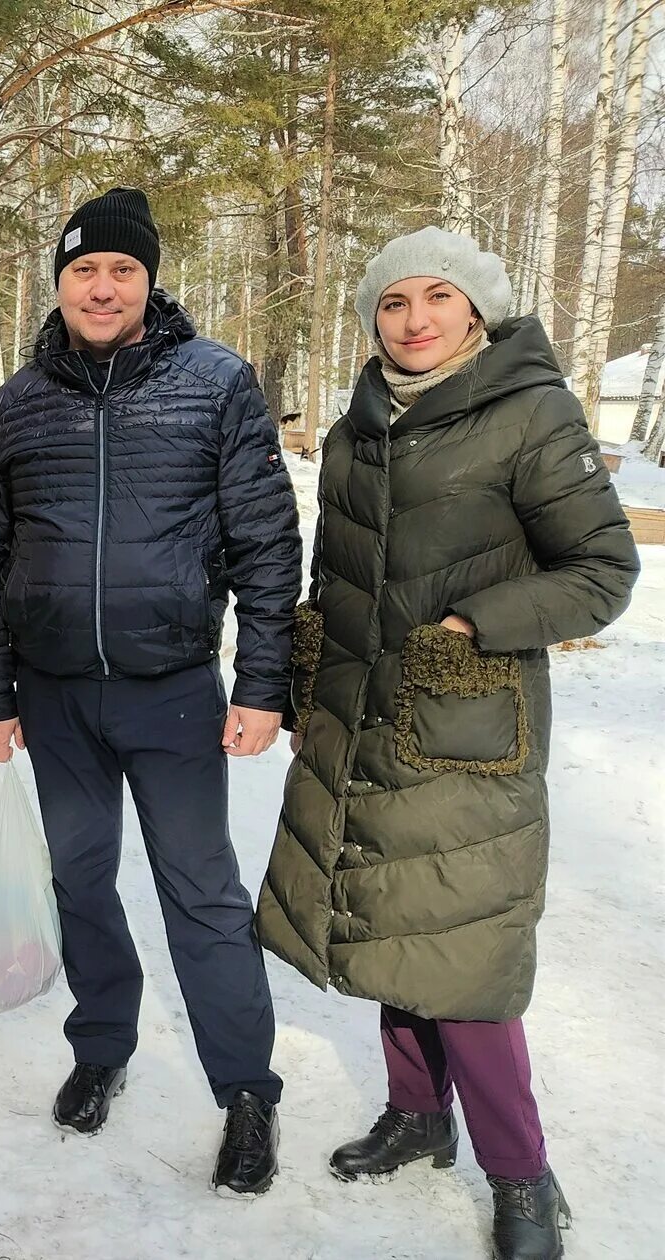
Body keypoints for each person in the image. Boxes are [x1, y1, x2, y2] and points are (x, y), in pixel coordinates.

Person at [257, 227, 639, 1260]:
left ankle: (522, 1175)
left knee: (463, 964)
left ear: (477, 310)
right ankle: (420, 1118)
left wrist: (477, 625)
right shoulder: (352, 431)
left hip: (466, 729)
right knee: (386, 924)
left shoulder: (532, 413)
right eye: (394, 302)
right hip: (357, 712)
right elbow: (338, 572)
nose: (415, 318)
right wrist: (304, 667)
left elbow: (603, 568)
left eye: (438, 298)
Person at [0, 187, 301, 1193]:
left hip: (173, 691)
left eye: (120, 270)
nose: (101, 287)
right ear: (59, 283)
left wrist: (264, 682)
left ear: (149, 281)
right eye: (82, 271)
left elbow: (266, 543)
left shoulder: (216, 383)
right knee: (79, 879)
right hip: (58, 695)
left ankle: (245, 1089)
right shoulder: (23, 400)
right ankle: (102, 1043)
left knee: (200, 890)